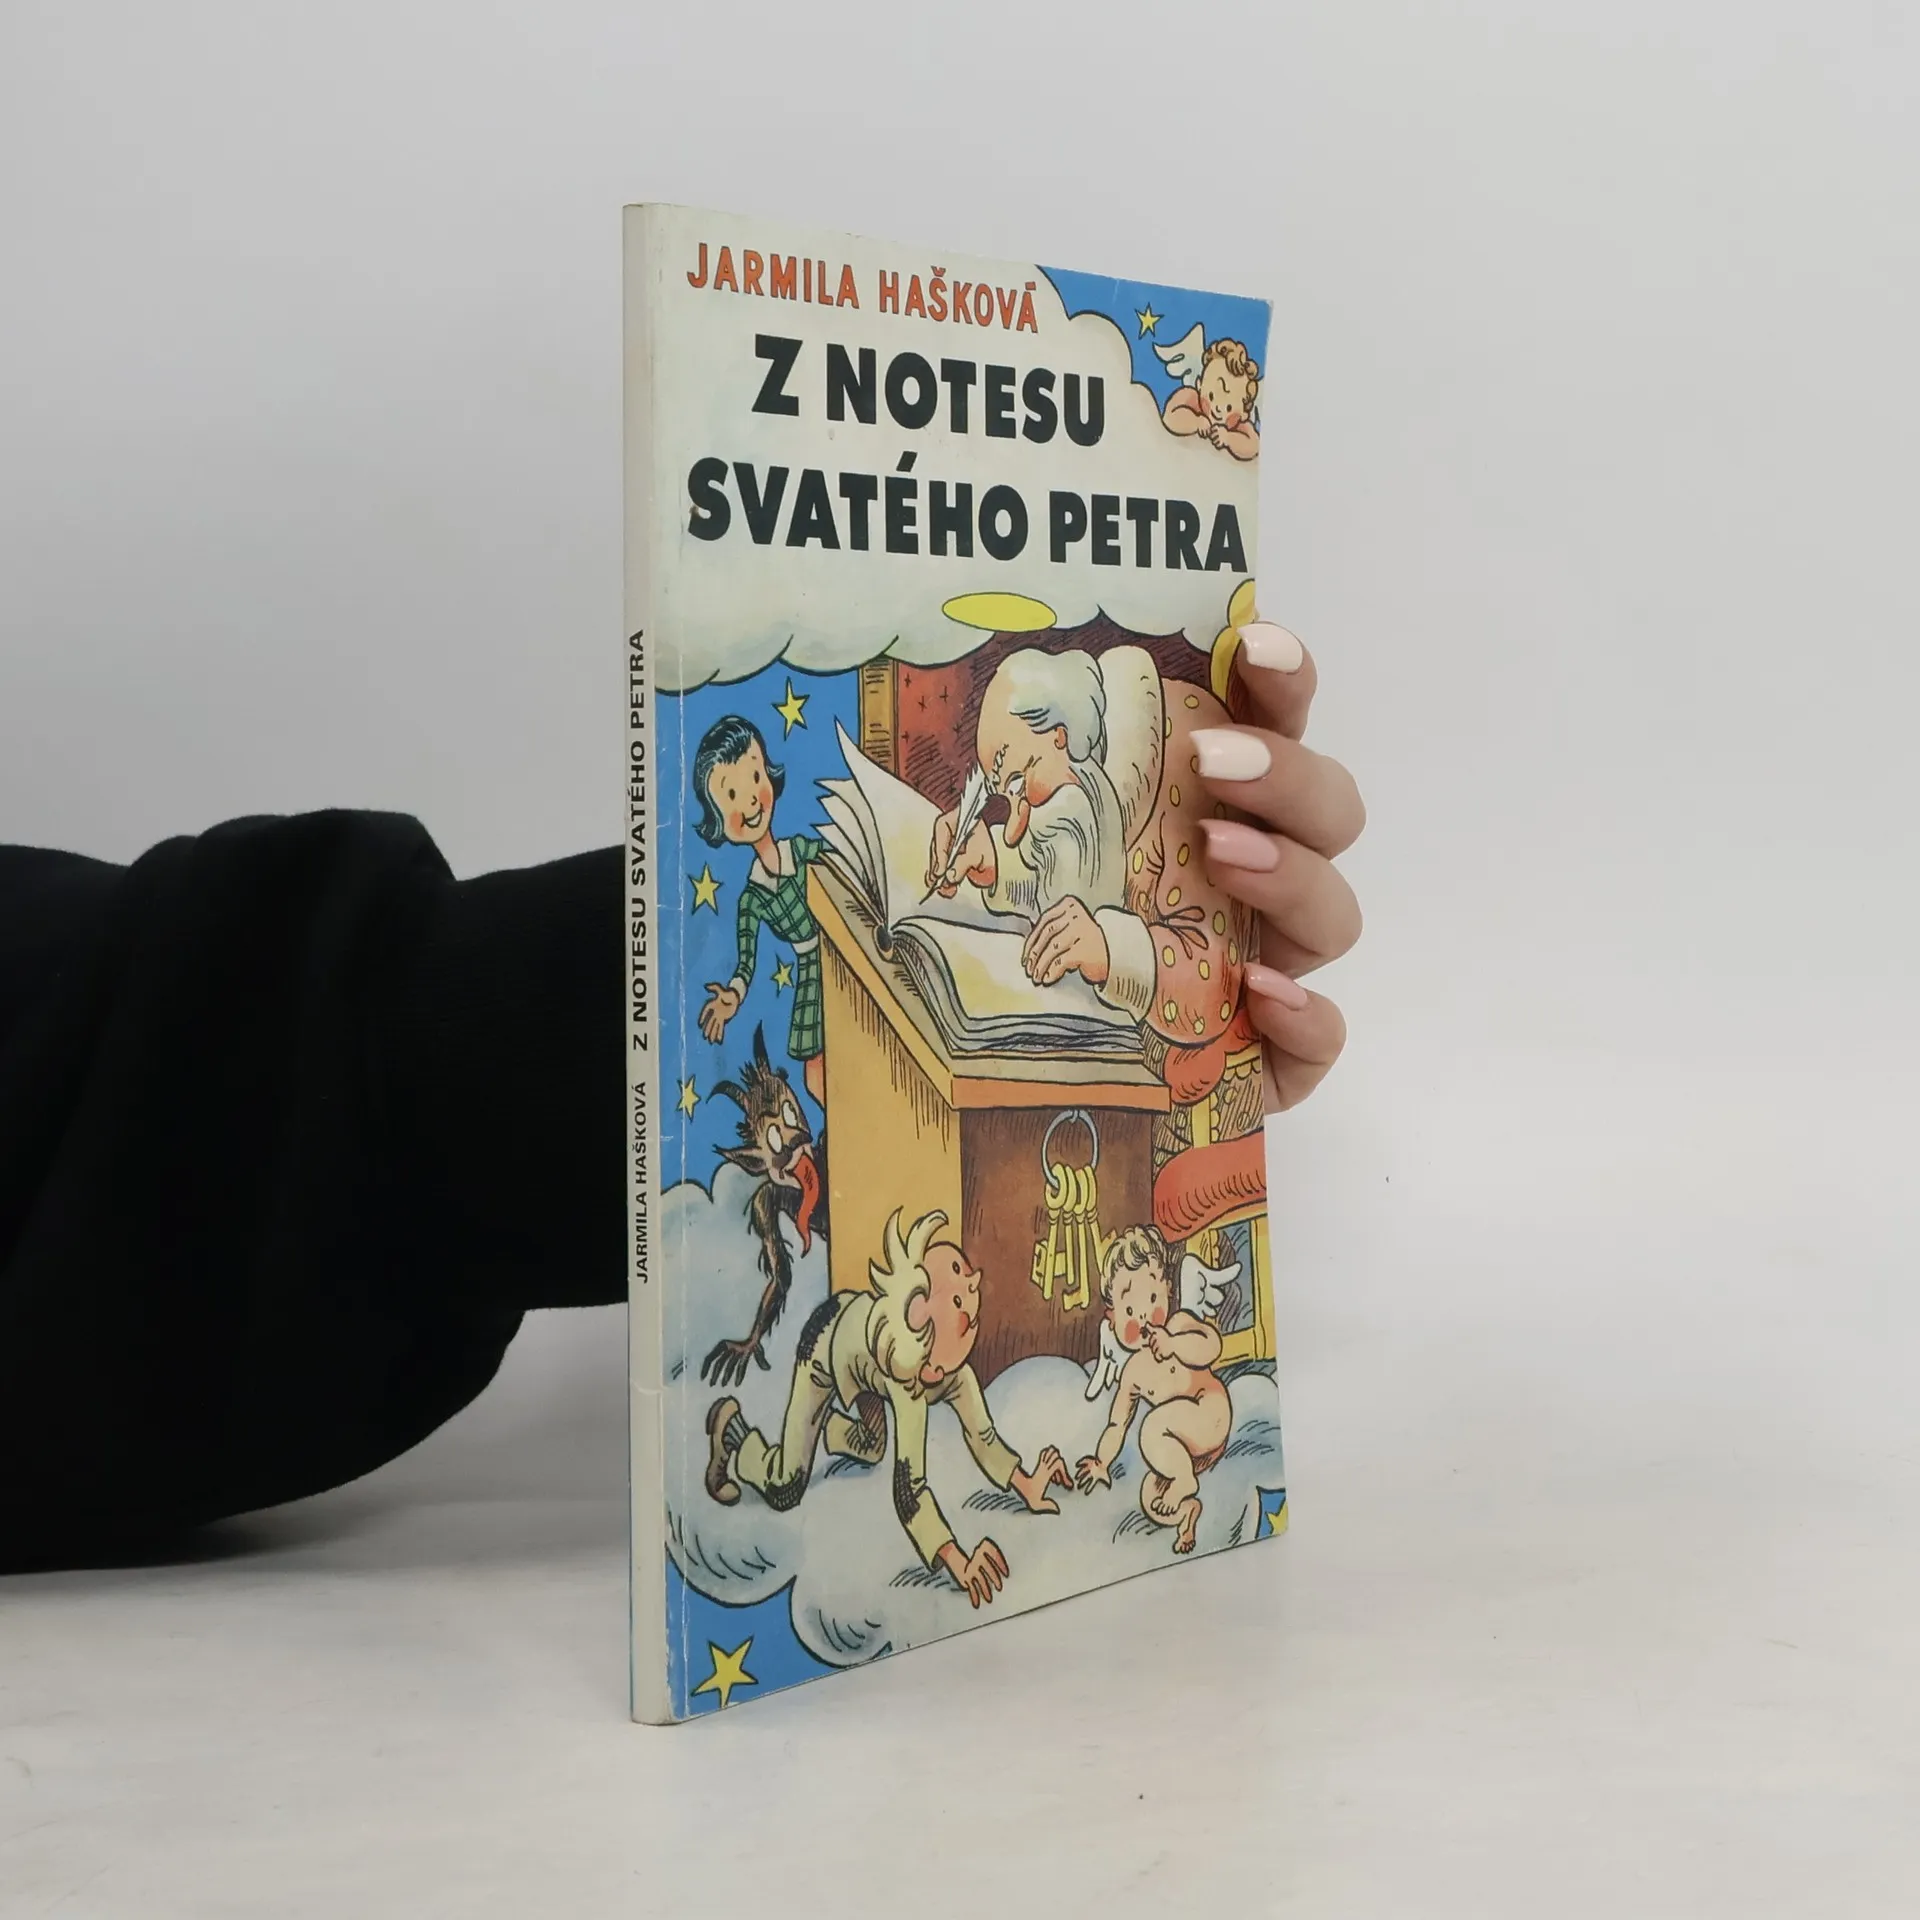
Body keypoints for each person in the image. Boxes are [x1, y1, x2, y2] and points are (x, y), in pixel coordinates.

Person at [0, 622, 1362, 1569]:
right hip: (832, 1328)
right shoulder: (900, 1361)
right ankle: (747, 1454)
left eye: (1022, 761)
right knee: (793, 1453)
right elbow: (923, 1469)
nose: (1002, 783)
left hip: (1059, 1026)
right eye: (993, 764)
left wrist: (1149, 947)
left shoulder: (1079, 820)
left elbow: (116, 1046)